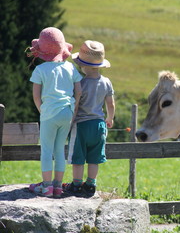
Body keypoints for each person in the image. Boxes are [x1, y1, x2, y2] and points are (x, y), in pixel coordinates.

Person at [27, 27, 82, 198]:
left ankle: (46, 187)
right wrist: (73, 109)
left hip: (49, 113)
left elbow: (36, 95)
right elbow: (78, 92)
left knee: (46, 150)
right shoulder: (71, 68)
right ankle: (58, 186)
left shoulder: (40, 70)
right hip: (67, 112)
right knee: (60, 149)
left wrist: (42, 110)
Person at [63, 40, 115, 197]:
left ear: (82, 66)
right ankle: (91, 184)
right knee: (94, 158)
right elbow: (110, 104)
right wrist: (110, 119)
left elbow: (76, 105)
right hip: (99, 125)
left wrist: (70, 122)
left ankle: (77, 184)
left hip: (81, 125)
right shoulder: (106, 82)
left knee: (78, 157)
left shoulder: (80, 83)